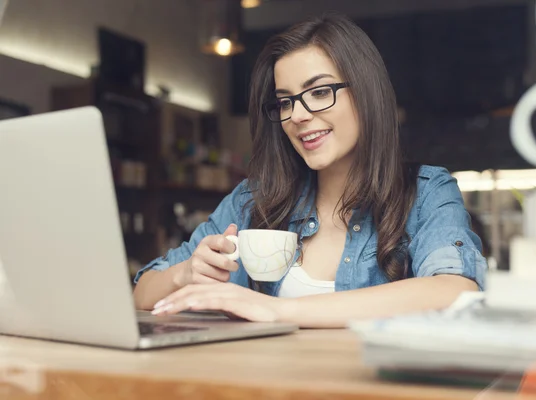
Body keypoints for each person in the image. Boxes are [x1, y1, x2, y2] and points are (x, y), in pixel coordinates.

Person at [133, 12, 487, 328]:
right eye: (285, 101)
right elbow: (142, 292)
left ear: (366, 93)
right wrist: (185, 274)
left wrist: (276, 310)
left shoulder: (425, 193)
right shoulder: (252, 201)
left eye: (318, 92)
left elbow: (455, 290)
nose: (297, 115)